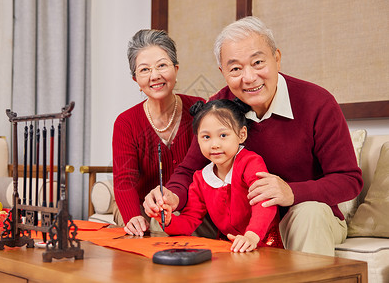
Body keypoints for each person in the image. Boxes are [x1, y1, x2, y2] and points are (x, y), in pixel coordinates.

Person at [144, 16, 363, 256]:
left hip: (302, 217)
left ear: (277, 58)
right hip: (240, 222)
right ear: (223, 72)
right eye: (235, 68)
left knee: (309, 212)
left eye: (258, 62)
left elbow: (349, 180)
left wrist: (291, 192)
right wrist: (171, 195)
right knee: (169, 219)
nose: (248, 78)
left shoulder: (317, 103)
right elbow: (189, 170)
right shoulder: (219, 107)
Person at [157, 99, 283, 252]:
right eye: (206, 137)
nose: (214, 144)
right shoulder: (201, 178)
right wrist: (169, 220)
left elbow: (264, 202)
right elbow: (190, 219)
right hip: (227, 248)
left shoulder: (251, 163)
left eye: (223, 135)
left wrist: (251, 236)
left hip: (263, 244)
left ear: (242, 134)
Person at [112, 29, 204, 236]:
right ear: (135, 79)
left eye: (162, 65)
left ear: (176, 69)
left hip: (192, 205)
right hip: (144, 208)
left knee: (181, 223)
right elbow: (124, 181)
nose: (155, 76)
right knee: (150, 226)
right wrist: (132, 215)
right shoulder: (126, 123)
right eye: (144, 70)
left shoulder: (201, 110)